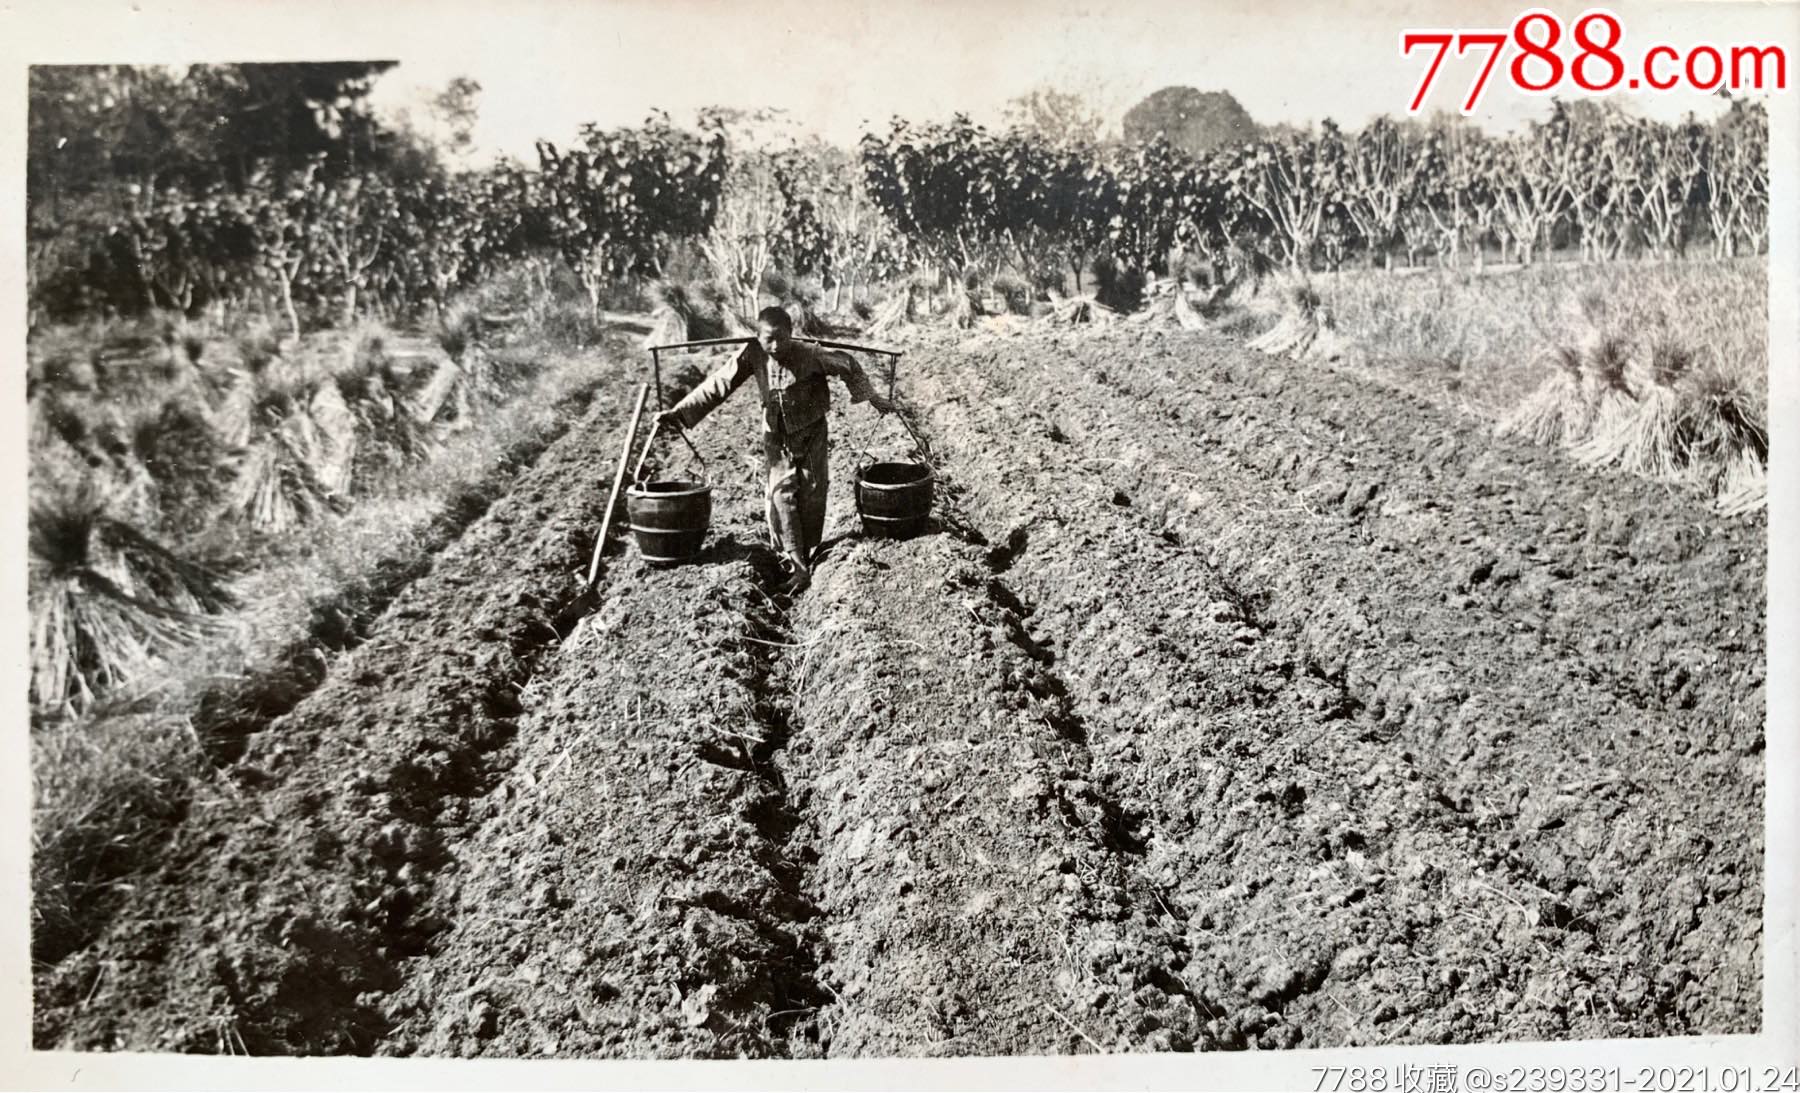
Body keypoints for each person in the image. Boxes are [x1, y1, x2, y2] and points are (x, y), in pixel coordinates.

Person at [655, 306, 895, 594]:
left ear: (792, 334)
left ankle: (806, 553)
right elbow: (720, 383)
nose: (776, 346)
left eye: (782, 338)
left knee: (812, 491)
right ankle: (798, 566)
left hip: (811, 433)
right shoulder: (752, 354)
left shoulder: (810, 354)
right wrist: (679, 413)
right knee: (781, 494)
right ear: (758, 336)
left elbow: (848, 364)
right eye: (769, 339)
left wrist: (873, 397)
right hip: (775, 436)